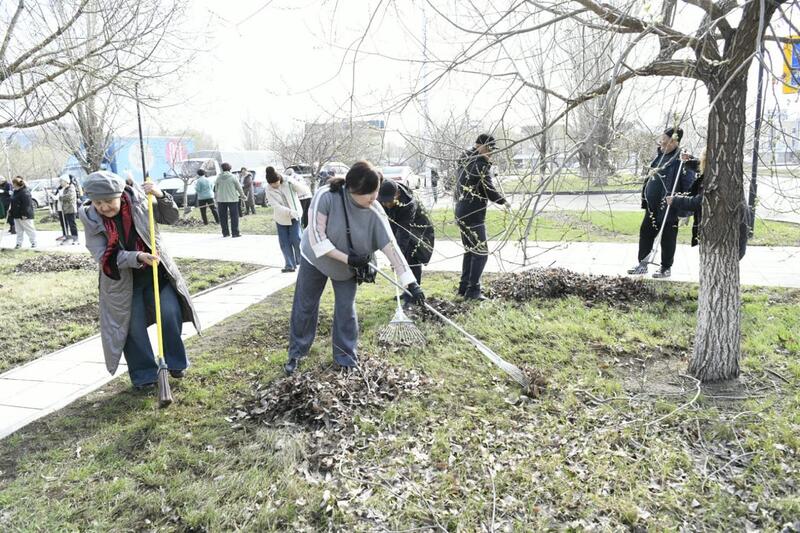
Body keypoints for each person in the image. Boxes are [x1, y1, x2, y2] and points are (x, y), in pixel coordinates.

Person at [284, 160, 425, 375]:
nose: (373, 198)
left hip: (347, 268)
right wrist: (348, 259)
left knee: (346, 310)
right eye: (368, 193)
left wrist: (411, 283)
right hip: (315, 260)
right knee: (305, 305)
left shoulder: (374, 210)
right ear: (352, 189)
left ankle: (345, 358)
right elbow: (317, 240)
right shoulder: (327, 196)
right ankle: (297, 353)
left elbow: (392, 248)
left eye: (375, 192)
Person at [78, 171, 200, 390]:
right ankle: (144, 374)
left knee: (169, 313)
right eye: (98, 203)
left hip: (156, 272)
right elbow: (102, 254)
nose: (104, 207)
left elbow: (170, 218)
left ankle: (175, 363)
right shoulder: (90, 217)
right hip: (120, 282)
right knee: (132, 328)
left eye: (109, 201)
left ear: (120, 194)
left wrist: (160, 195)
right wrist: (136, 257)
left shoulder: (139, 201)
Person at [627, 127, 695, 279]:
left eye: (665, 141)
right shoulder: (660, 155)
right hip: (653, 205)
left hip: (670, 206)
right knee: (646, 232)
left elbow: (689, 184)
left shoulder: (682, 159)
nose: (661, 143)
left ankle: (665, 267)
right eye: (661, 140)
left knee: (667, 237)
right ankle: (642, 264)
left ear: (674, 141)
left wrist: (685, 210)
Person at [454, 133, 509, 300]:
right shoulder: (478, 163)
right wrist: (503, 201)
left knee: (471, 251)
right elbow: (487, 188)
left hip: (462, 211)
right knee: (481, 252)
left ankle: (464, 287)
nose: (491, 152)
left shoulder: (466, 159)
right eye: (489, 148)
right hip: (473, 214)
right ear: (480, 146)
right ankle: (473, 291)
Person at [666, 152, 748, 260]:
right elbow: (701, 166)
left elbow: (700, 201)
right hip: (721, 232)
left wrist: (676, 200)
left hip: (723, 236)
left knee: (719, 262)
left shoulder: (717, 180)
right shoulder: (720, 172)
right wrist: (690, 159)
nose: (700, 163)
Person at [378, 179, 435, 305]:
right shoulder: (383, 196)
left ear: (397, 194)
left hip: (418, 230)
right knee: (405, 257)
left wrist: (397, 257)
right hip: (400, 227)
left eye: (389, 201)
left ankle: (413, 294)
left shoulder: (408, 204)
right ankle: (406, 292)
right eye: (384, 201)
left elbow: (404, 233)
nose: (386, 204)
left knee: (412, 257)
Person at [266, 166, 304, 272]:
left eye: (276, 183)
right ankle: (289, 265)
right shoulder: (268, 189)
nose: (274, 186)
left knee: (296, 239)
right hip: (281, 218)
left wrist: (292, 181)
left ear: (279, 179)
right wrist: (289, 211)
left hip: (295, 216)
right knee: (284, 242)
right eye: (272, 184)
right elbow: (275, 205)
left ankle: (301, 260)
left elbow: (303, 190)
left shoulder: (288, 183)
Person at [214, 162, 245, 238]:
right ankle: (235, 233)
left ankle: (225, 233)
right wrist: (243, 196)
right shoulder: (233, 177)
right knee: (234, 216)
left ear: (222, 168)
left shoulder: (218, 178)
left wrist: (215, 199)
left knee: (223, 217)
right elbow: (239, 188)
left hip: (221, 200)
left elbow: (215, 189)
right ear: (230, 168)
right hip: (233, 199)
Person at [10, 177, 37, 249]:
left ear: (17, 184)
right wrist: (11, 211)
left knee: (29, 229)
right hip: (16, 215)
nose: (13, 185)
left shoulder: (25, 192)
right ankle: (19, 243)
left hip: (25, 215)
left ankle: (34, 242)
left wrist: (24, 214)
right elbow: (13, 203)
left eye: (14, 183)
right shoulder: (15, 192)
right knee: (18, 231)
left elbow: (27, 205)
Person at [55, 176, 79, 245]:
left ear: (66, 181)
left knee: (72, 225)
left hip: (70, 209)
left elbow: (69, 197)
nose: (60, 183)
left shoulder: (71, 187)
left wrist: (60, 197)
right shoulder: (61, 188)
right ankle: (66, 238)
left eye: (61, 181)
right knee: (64, 225)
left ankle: (75, 239)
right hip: (62, 209)